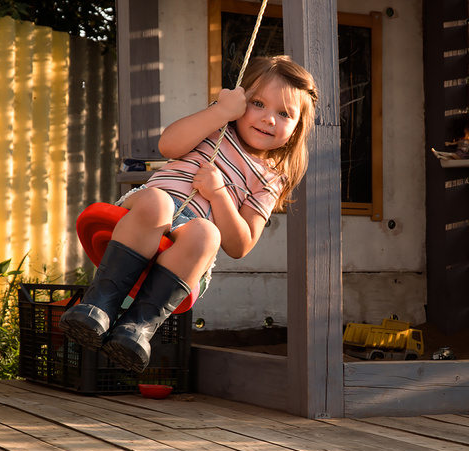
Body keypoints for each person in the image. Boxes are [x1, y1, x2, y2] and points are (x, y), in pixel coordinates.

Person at [59, 55, 318, 373]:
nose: (269, 119)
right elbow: (168, 145)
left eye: (284, 113)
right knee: (159, 203)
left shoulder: (270, 177)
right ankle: (99, 305)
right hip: (147, 213)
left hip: (187, 245)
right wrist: (221, 111)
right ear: (240, 100)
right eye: (258, 104)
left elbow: (240, 245)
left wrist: (218, 194)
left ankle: (137, 329)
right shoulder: (217, 125)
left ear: (296, 128)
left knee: (208, 233)